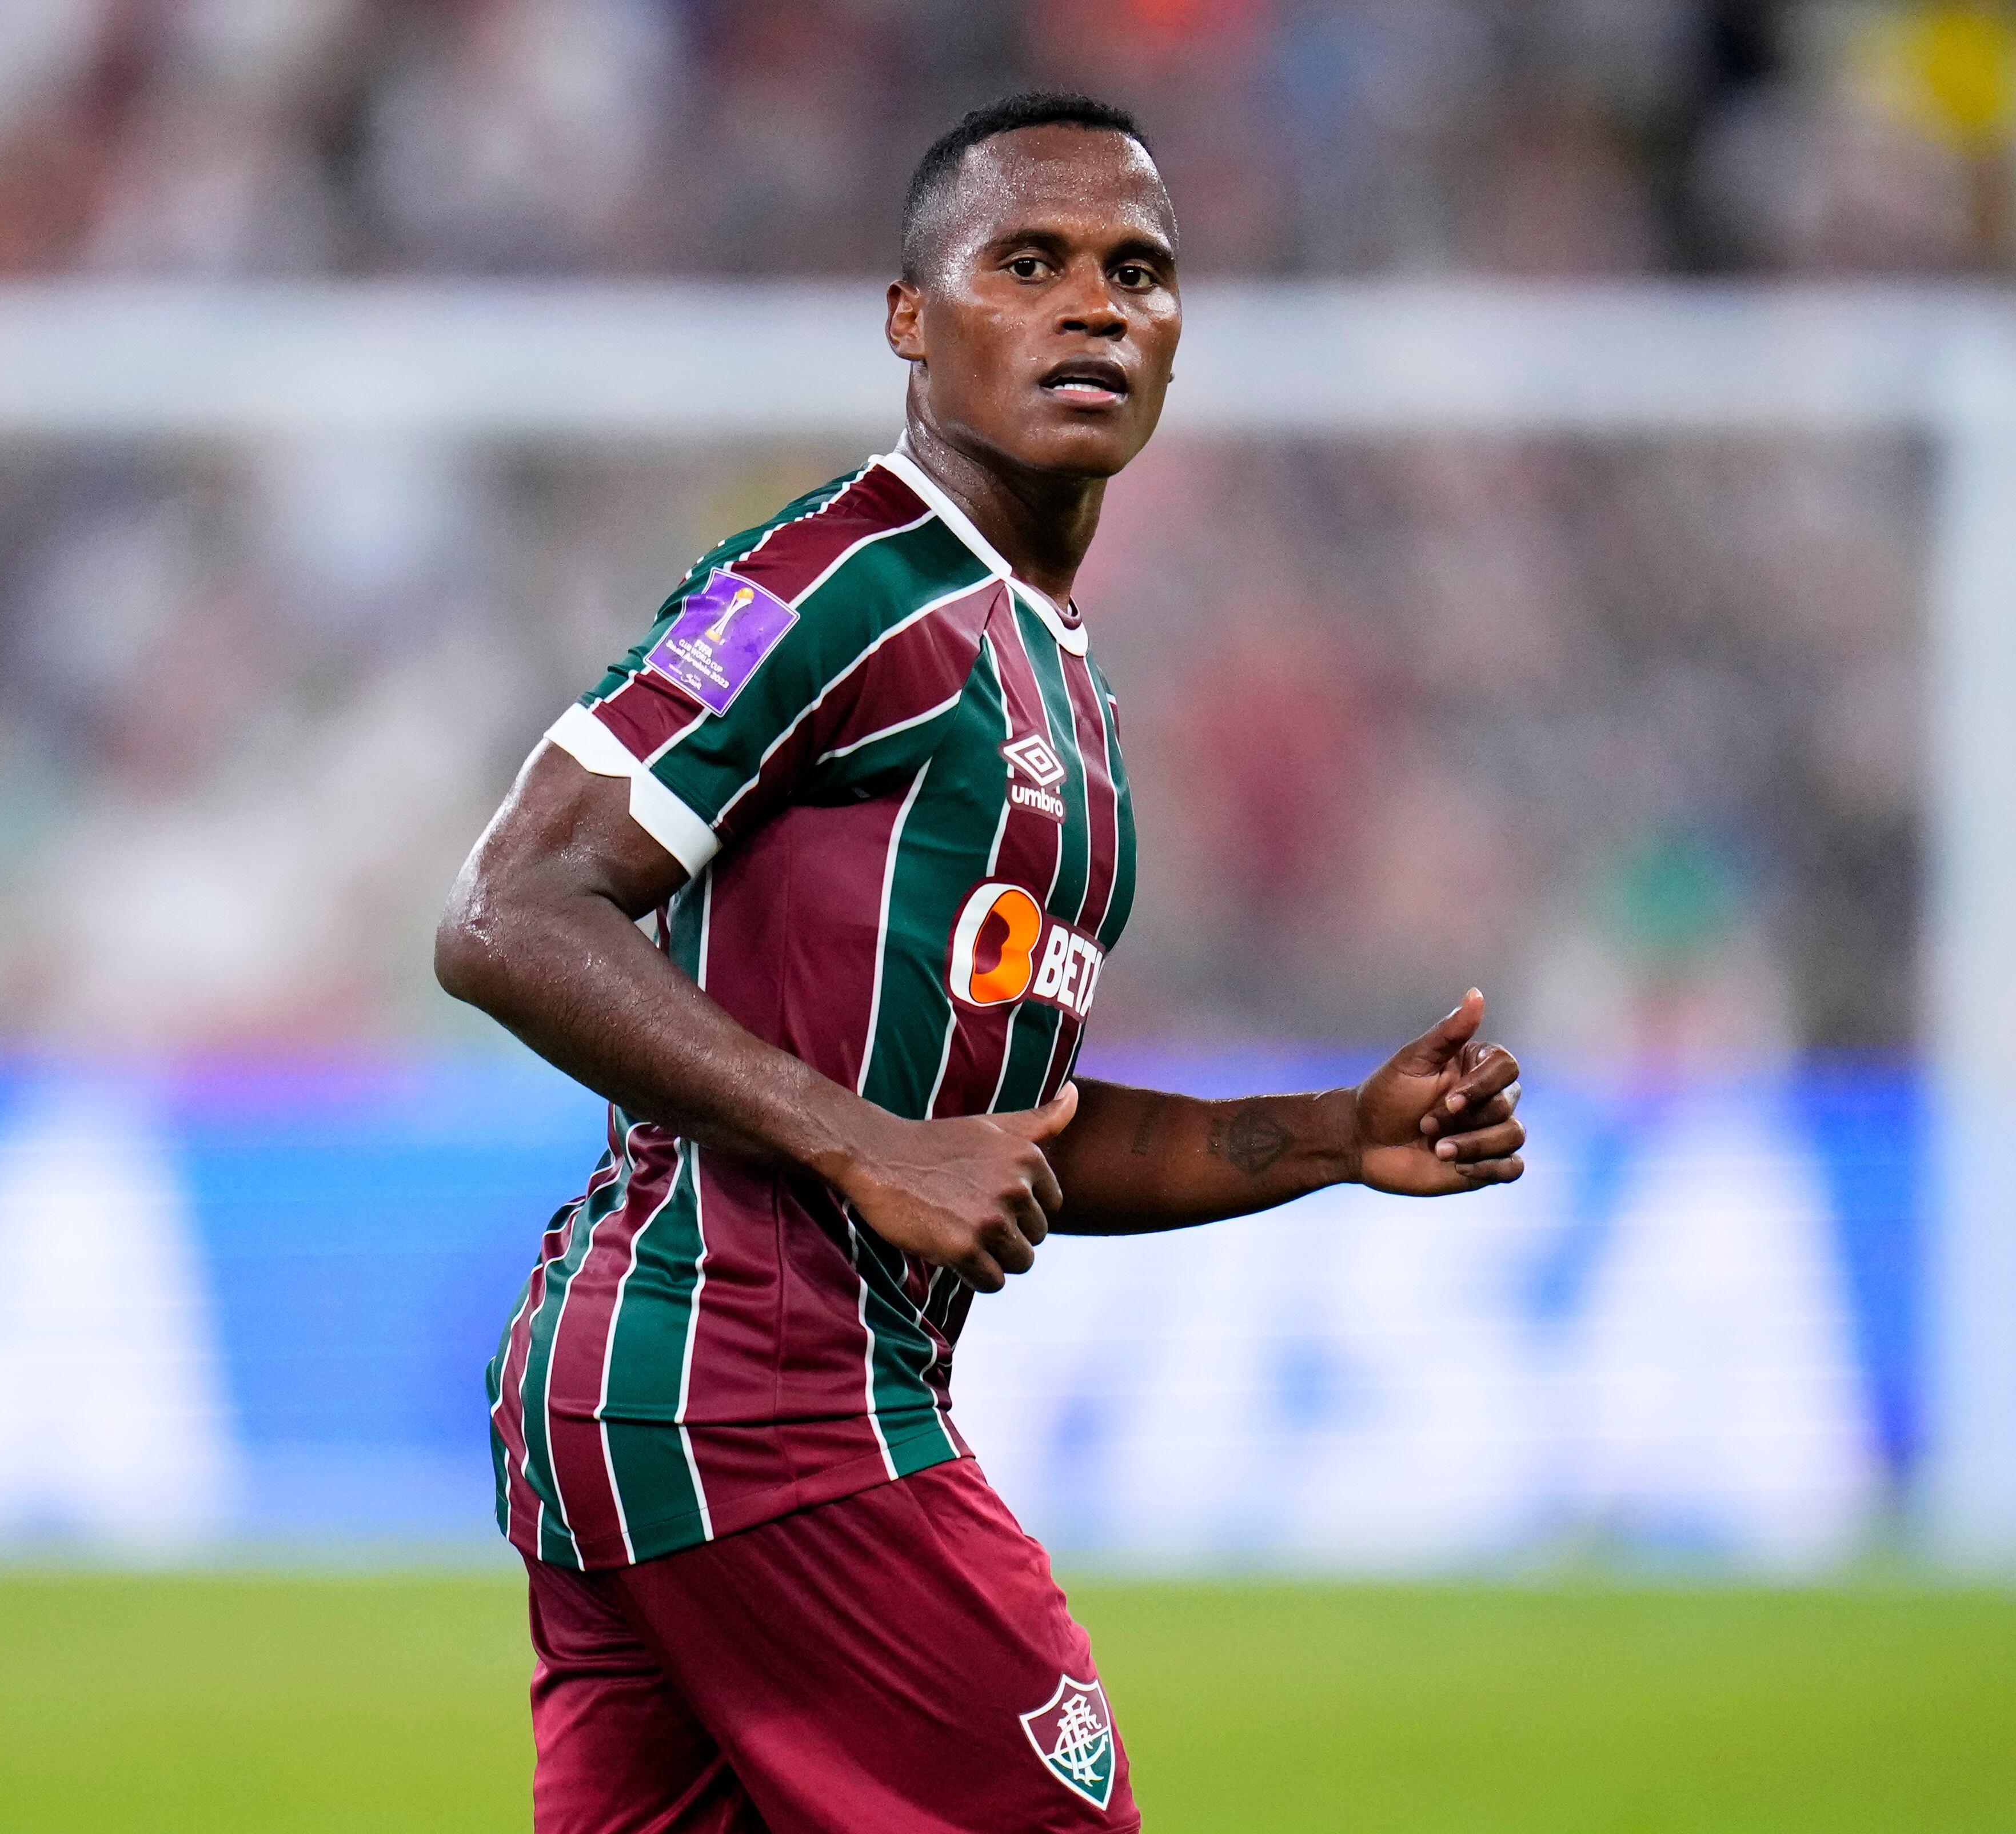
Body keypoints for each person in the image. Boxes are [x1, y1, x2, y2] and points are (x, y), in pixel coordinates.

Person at [437, 91, 1527, 1834]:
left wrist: (1330, 1134)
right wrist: (860, 1143)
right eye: (1028, 263)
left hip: (686, 1402)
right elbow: (506, 913)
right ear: (907, 321)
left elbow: (997, 1144)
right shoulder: (834, 582)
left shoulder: (1059, 685)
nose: (1094, 306)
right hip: (754, 1391)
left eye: (1138, 273)